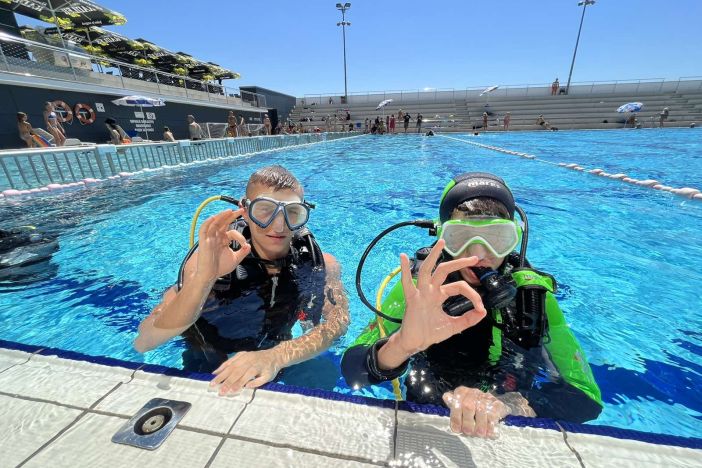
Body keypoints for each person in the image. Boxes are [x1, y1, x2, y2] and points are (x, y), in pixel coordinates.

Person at [341, 172, 602, 437]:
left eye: (497, 237)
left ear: (515, 238)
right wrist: (402, 346)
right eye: (461, 236)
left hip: (507, 422)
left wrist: (510, 404)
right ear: (441, 235)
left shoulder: (533, 296)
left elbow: (587, 398)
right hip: (427, 416)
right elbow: (354, 371)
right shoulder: (420, 288)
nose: (478, 255)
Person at [134, 165, 350, 394]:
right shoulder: (208, 261)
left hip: (277, 352)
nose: (279, 225)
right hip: (210, 355)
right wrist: (204, 278)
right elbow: (145, 341)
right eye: (265, 210)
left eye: (292, 212)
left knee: (326, 378)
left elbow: (337, 323)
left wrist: (277, 356)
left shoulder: (321, 264)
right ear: (244, 211)